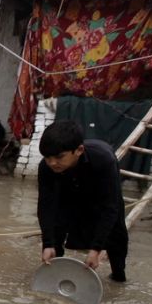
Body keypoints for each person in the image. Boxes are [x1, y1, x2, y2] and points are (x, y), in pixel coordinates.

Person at [37, 120, 128, 282]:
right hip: (67, 194)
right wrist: (47, 243)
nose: (52, 163)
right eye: (47, 157)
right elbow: (46, 205)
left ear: (79, 150)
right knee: (57, 227)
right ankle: (54, 278)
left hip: (100, 196)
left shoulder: (104, 160)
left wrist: (96, 249)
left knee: (117, 236)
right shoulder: (46, 167)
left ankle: (118, 278)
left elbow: (110, 207)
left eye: (59, 157)